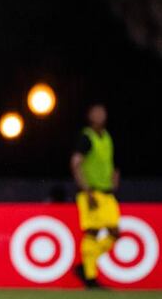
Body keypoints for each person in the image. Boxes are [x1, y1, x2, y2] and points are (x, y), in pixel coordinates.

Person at [71, 103, 120, 288]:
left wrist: (115, 179)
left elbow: (111, 162)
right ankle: (90, 277)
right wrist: (86, 190)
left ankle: (85, 265)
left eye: (102, 112)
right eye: (96, 113)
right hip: (91, 192)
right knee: (93, 232)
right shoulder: (86, 137)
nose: (100, 115)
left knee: (115, 232)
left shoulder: (107, 137)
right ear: (90, 116)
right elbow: (75, 163)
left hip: (107, 192)